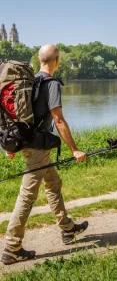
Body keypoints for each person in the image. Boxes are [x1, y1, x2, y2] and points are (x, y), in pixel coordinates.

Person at [1, 44, 89, 265]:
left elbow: (16, 116)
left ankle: (67, 228)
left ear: (39, 59)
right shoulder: (50, 84)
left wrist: (10, 146)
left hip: (28, 143)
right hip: (37, 147)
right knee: (27, 195)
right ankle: (12, 247)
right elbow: (58, 120)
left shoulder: (31, 81)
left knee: (53, 182)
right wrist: (74, 150)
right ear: (57, 60)